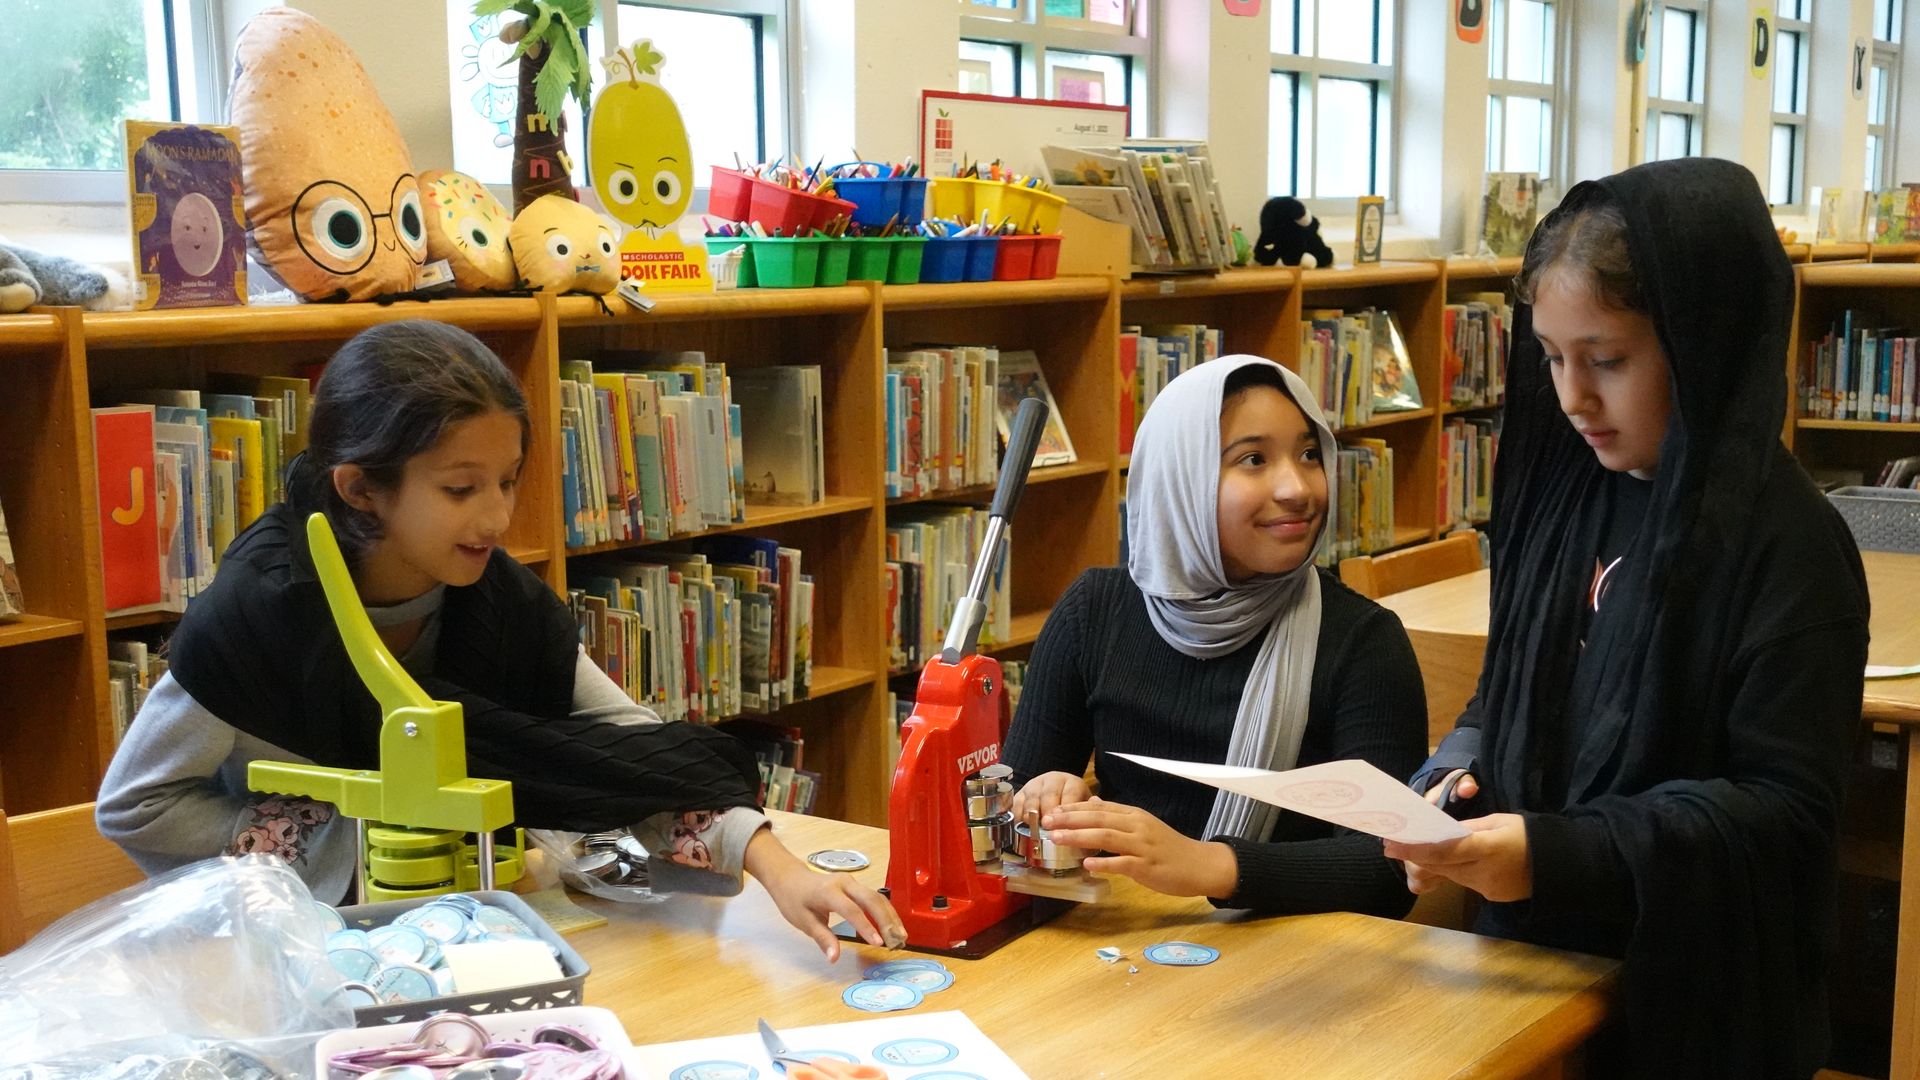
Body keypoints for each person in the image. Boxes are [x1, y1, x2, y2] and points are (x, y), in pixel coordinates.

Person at [97, 319, 903, 961]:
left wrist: (775, 866)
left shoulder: (496, 602)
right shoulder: (260, 619)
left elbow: (628, 755)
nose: (497, 517)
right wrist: (339, 841)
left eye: (509, 480)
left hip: (480, 935)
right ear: (361, 489)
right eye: (460, 489)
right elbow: (137, 804)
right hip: (313, 959)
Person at [1386, 158, 1869, 1077]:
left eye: (1606, 360)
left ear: (1698, 345)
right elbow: (1510, 692)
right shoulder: (1568, 498)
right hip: (1532, 985)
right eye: (1552, 359)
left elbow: (1780, 817)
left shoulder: (1791, 551)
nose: (1572, 399)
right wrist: (1451, 782)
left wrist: (1558, 852)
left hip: (1696, 1013)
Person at [1005, 355, 1426, 916]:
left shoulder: (1363, 641)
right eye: (1253, 460)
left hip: (1298, 962)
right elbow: (1009, 820)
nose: (1297, 487)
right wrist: (1048, 798)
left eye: (1308, 454)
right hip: (1127, 942)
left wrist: (1210, 865)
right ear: (1180, 479)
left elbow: (1393, 869)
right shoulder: (1095, 611)